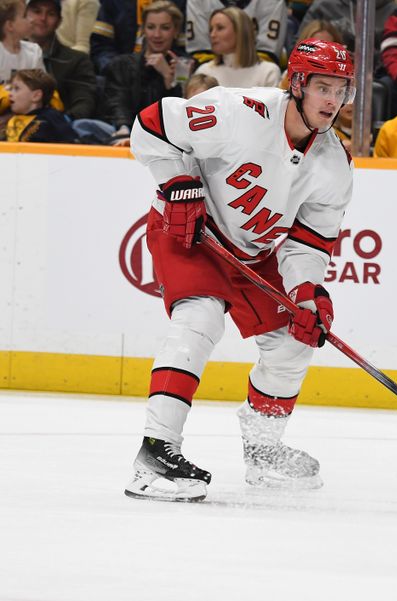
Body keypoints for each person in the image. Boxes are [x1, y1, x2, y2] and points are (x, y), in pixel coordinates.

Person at [125, 39, 355, 502]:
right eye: (323, 87)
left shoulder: (335, 164)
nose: (333, 101)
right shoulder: (237, 111)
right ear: (298, 84)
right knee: (200, 317)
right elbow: (150, 127)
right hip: (194, 230)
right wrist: (177, 181)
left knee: (294, 339)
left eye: (342, 90)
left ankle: (263, 452)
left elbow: (307, 243)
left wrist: (308, 293)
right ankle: (155, 454)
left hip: (254, 252)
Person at [101, 0, 186, 146]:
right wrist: (123, 126)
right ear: (143, 30)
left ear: (176, 31)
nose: (157, 34)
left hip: (168, 141)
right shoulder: (122, 64)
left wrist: (168, 80)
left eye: (165, 28)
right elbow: (117, 102)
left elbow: (181, 116)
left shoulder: (184, 67)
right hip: (125, 133)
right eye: (151, 27)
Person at [26, 0, 97, 121]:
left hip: (58, 130)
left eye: (51, 14)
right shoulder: (8, 54)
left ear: (59, 21)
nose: (43, 18)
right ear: (24, 15)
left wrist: (59, 123)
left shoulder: (77, 61)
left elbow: (84, 103)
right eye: (37, 11)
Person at [193, 6, 280, 89]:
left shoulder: (268, 72)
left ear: (240, 31)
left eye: (220, 28)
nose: (212, 35)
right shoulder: (204, 72)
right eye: (211, 29)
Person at [186, 0, 286, 66]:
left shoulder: (272, 2)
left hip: (254, 73)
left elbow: (267, 54)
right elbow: (201, 54)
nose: (213, 34)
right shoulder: (199, 1)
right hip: (213, 72)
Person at [2, 68, 75, 141]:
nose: (10, 94)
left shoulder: (51, 118)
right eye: (10, 89)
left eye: (16, 89)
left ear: (36, 96)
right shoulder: (12, 120)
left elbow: (72, 145)